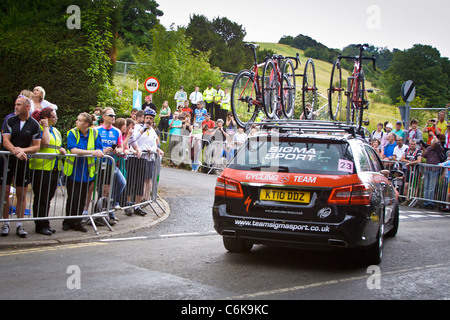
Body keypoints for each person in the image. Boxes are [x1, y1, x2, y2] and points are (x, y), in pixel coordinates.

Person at [1, 95, 41, 237]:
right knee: (5, 193)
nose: (16, 107)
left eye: (19, 105)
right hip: (6, 160)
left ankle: (19, 225)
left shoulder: (35, 124)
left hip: (22, 160)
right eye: (15, 104)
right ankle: (5, 223)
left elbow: (36, 146)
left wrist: (21, 151)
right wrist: (14, 151)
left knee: (21, 193)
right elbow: (6, 140)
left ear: (27, 107)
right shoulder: (10, 119)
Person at [63, 112, 104, 232]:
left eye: (79, 120)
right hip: (74, 170)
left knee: (82, 198)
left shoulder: (94, 133)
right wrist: (91, 153)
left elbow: (99, 149)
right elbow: (73, 149)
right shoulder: (72, 132)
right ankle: (67, 221)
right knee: (72, 197)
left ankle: (77, 222)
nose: (76, 122)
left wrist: (97, 152)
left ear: (86, 124)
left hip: (87, 171)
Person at [29, 108, 66, 236]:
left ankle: (45, 223)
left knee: (48, 198)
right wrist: (44, 126)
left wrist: (62, 151)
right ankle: (40, 225)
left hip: (54, 168)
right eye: (54, 116)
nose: (56, 118)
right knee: (41, 198)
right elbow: (44, 142)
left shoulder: (56, 131)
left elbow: (56, 146)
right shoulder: (38, 129)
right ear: (46, 118)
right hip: (40, 168)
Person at [128, 109, 163, 215]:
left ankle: (137, 206)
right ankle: (128, 205)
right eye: (147, 118)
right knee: (131, 181)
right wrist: (143, 129)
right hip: (134, 157)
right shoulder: (138, 127)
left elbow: (154, 145)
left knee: (140, 182)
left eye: (151, 118)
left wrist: (151, 150)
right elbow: (133, 139)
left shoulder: (152, 131)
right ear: (144, 118)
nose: (149, 120)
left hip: (145, 158)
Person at [96, 108, 126, 221]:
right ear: (104, 117)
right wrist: (104, 150)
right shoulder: (96, 130)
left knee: (112, 187)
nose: (113, 117)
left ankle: (108, 211)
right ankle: (99, 213)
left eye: (114, 115)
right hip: (98, 163)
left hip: (110, 163)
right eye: (110, 115)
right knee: (101, 189)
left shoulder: (117, 131)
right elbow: (93, 148)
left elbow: (121, 147)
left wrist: (117, 150)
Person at [422, 136, 444, 209]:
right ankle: (425, 201)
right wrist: (424, 148)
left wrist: (434, 136)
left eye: (433, 144)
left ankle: (430, 202)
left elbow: (438, 144)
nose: (432, 146)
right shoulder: (429, 148)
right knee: (426, 186)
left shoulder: (438, 149)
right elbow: (424, 155)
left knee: (432, 187)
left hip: (434, 169)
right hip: (427, 168)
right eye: (431, 144)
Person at [401, 139, 423, 205]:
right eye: (411, 144)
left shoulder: (418, 151)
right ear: (409, 145)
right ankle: (407, 199)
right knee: (406, 185)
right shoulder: (406, 150)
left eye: (414, 144)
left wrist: (411, 163)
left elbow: (419, 160)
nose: (412, 146)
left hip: (416, 171)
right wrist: (408, 162)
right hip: (408, 170)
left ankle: (413, 199)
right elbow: (402, 158)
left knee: (415, 186)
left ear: (416, 145)